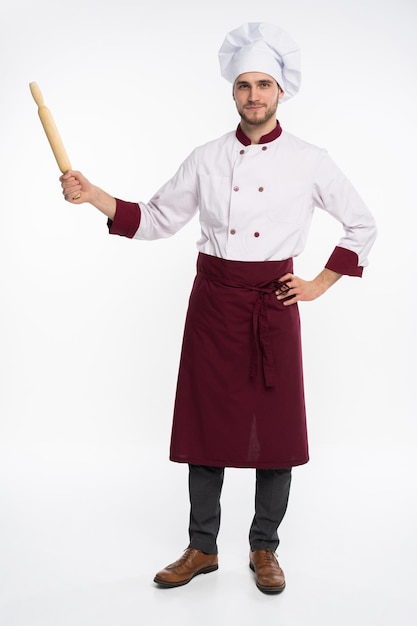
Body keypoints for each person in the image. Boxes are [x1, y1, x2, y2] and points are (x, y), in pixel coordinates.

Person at [60, 22, 377, 594]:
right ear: (232, 93)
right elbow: (155, 219)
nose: (253, 95)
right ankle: (201, 547)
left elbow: (362, 224)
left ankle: (264, 548)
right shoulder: (205, 158)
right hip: (212, 306)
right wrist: (92, 195)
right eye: (243, 86)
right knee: (205, 429)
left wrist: (320, 284)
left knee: (274, 435)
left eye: (263, 85)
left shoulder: (310, 159)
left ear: (282, 92)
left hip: (271, 307)